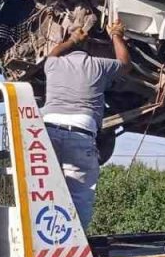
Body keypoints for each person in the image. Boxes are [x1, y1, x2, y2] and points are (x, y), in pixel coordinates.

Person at [42, 16, 131, 232]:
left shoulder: (53, 64)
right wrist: (117, 36)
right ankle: (73, 245)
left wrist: (72, 39)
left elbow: (53, 52)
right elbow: (124, 63)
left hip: (46, 135)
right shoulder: (97, 65)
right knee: (79, 196)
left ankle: (45, 240)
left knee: (43, 192)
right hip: (79, 136)